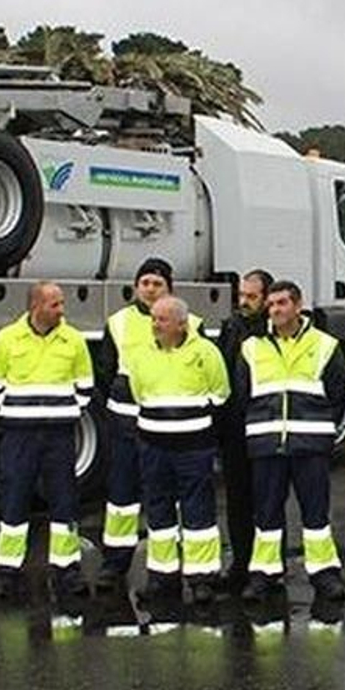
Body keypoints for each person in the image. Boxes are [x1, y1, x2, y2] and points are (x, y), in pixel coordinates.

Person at [235, 280, 345, 603]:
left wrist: (325, 429)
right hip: (267, 443)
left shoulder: (325, 345)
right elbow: (242, 396)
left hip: (310, 444)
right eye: (271, 305)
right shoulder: (252, 347)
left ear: (298, 306)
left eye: (282, 303)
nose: (275, 310)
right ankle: (264, 575)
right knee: (267, 515)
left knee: (316, 515)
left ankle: (324, 575)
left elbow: (337, 393)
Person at [0, 281, 96, 600]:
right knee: (14, 500)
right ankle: (6, 572)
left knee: (64, 502)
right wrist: (14, 411)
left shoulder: (73, 340)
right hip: (19, 435)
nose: (62, 310)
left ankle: (67, 571)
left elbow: (85, 386)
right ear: (36, 307)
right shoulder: (7, 340)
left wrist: (65, 410)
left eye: (61, 303)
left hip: (59, 435)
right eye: (55, 305)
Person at [127, 295, 232, 603]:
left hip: (194, 449)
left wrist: (198, 429)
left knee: (198, 513)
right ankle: (163, 578)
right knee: (158, 513)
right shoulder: (141, 355)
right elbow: (139, 394)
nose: (155, 325)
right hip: (154, 448)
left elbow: (220, 394)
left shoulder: (206, 352)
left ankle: (202, 578)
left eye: (161, 319)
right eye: (153, 319)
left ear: (181, 323)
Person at [92, 256, 174, 590]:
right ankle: (114, 564)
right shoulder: (118, 322)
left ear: (169, 288)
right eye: (145, 283)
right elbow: (105, 371)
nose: (150, 289)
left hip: (164, 427)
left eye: (157, 283)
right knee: (121, 500)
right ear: (136, 287)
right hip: (125, 425)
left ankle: (163, 568)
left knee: (161, 498)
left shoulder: (188, 323)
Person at [217, 269, 273, 592]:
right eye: (241, 296)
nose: (244, 302)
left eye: (252, 297)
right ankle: (240, 563)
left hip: (265, 424)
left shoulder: (272, 331)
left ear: (266, 299)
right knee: (238, 501)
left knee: (267, 500)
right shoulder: (232, 328)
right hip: (235, 426)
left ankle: (267, 567)